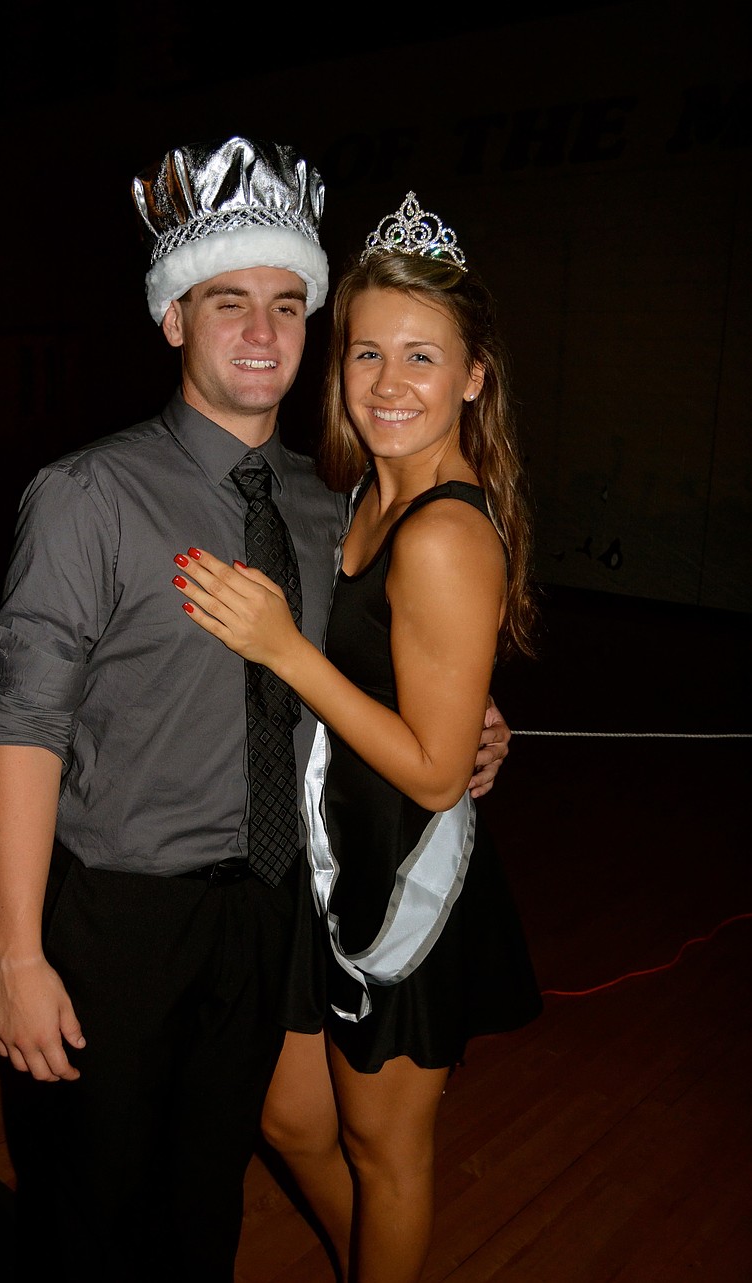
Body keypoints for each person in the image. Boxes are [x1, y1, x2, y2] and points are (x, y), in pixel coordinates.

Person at [0, 139, 512, 1282]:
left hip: (275, 915)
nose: (263, 333)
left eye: (287, 304)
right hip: (121, 916)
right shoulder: (89, 494)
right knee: (89, 1204)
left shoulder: (334, 504)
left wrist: (472, 719)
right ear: (174, 318)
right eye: (230, 304)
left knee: (202, 1206)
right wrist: (17, 949)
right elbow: (23, 724)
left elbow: (385, 664)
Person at [171, 190, 543, 1283]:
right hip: (321, 853)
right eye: (367, 352)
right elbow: (425, 691)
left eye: (421, 358)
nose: (388, 384)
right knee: (289, 1117)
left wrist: (288, 650)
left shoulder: (441, 533)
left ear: (474, 374)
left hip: (395, 874)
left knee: (388, 1150)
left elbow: (433, 771)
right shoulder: (359, 500)